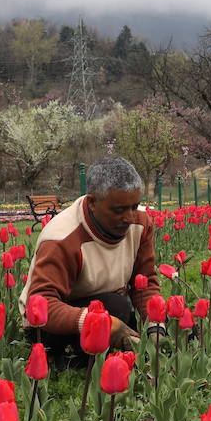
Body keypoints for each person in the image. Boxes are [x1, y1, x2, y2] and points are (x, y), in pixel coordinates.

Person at [19, 157, 162, 366]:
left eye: (135, 206)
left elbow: (145, 281)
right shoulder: (62, 238)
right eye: (119, 210)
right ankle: (69, 360)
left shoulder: (140, 224)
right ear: (92, 202)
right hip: (50, 324)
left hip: (107, 306)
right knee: (116, 307)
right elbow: (42, 304)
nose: (130, 217)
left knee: (163, 322)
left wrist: (155, 327)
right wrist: (98, 321)